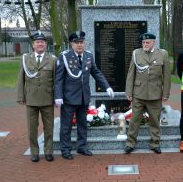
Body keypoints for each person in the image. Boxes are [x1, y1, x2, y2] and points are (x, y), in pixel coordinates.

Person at [54, 31, 114, 160]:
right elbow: (58, 79)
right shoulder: (64, 56)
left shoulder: (88, 56)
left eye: (81, 42)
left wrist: (107, 86)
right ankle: (65, 149)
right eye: (76, 43)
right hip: (69, 97)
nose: (79, 45)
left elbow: (96, 72)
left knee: (82, 123)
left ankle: (82, 146)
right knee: (66, 125)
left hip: (84, 96)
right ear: (71, 44)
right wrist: (58, 96)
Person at [124, 32, 171, 154]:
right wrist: (128, 91)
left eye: (147, 42)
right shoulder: (136, 53)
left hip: (155, 94)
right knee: (134, 120)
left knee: (155, 120)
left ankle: (155, 143)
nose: (145, 44)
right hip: (138, 93)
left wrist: (165, 93)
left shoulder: (162, 54)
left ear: (153, 42)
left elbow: (167, 76)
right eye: (143, 42)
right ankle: (130, 143)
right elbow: (131, 74)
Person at [17, 32, 56, 162]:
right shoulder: (25, 59)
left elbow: (56, 80)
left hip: (47, 98)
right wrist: (20, 96)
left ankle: (48, 151)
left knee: (49, 128)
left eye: (42, 42)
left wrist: (57, 98)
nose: (40, 44)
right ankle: (34, 152)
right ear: (33, 44)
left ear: (46, 44)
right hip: (31, 99)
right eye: (37, 42)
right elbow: (20, 79)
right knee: (32, 128)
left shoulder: (52, 59)